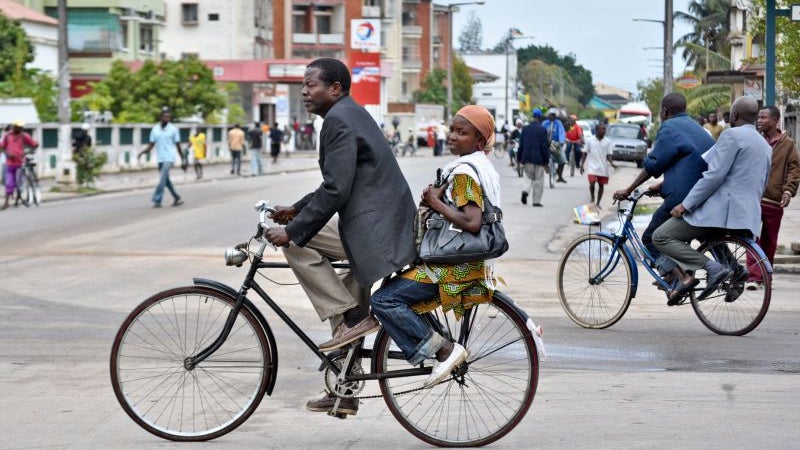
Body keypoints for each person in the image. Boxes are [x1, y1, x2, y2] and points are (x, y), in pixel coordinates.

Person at [263, 58, 417, 416]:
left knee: (300, 243)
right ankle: (344, 390)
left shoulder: (338, 120)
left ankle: (350, 318)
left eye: (311, 85)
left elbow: (336, 190)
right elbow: (337, 181)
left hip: (376, 230)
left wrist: (292, 230)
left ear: (335, 88)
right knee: (345, 294)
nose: (304, 91)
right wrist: (297, 210)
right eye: (303, 85)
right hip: (380, 223)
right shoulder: (348, 113)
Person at [371, 104, 501, 387]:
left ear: (479, 141)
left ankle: (444, 351)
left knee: (384, 299)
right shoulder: (477, 166)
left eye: (462, 132)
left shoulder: (466, 172)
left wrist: (435, 203)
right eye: (452, 130)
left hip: (455, 268)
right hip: (465, 262)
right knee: (396, 291)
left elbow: (472, 221)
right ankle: (437, 341)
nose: (453, 136)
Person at [652, 97, 772, 304]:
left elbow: (713, 176)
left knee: (661, 236)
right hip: (745, 215)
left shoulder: (732, 136)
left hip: (720, 211)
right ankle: (735, 269)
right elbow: (761, 182)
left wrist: (685, 205)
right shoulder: (764, 144)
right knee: (708, 237)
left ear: (734, 116)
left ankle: (711, 268)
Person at [613, 93, 715, 281]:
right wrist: (662, 185)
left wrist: (628, 190)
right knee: (704, 234)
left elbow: (654, 164)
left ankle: (680, 279)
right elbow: (687, 164)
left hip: (682, 197)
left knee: (651, 238)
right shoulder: (696, 127)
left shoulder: (669, 127)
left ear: (664, 111)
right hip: (705, 194)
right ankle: (733, 267)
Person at [744, 105, 800, 289]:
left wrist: (788, 191)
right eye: (758, 117)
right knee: (750, 237)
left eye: (764, 118)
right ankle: (754, 277)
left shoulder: (788, 144)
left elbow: (794, 169)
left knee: (769, 240)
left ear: (775, 120)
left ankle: (765, 277)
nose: (759, 121)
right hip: (752, 197)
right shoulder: (754, 140)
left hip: (774, 200)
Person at [137, 108, 184, 208]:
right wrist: (142, 152)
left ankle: (157, 200)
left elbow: (178, 145)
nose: (167, 118)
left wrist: (183, 158)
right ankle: (176, 197)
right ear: (161, 117)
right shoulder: (155, 129)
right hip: (160, 158)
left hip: (169, 158)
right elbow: (151, 145)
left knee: (162, 179)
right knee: (166, 181)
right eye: (165, 116)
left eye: (169, 117)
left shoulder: (173, 129)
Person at [0, 120, 39, 210]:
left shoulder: (24, 136)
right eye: (19, 127)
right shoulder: (7, 136)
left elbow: (35, 144)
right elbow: (1, 147)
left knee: (19, 183)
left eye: (21, 127)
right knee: (9, 183)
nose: (20, 129)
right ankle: (6, 202)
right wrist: (7, 153)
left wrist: (27, 152)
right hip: (10, 163)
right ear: (14, 126)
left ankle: (18, 199)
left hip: (20, 163)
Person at [579, 123, 617, 208]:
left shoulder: (608, 141)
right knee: (592, 183)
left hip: (603, 167)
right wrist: (582, 165)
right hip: (592, 166)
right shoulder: (590, 140)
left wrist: (612, 163)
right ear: (597, 130)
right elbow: (585, 153)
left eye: (604, 129)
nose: (604, 131)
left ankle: (598, 203)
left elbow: (609, 155)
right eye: (602, 129)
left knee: (601, 185)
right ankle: (592, 197)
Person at [517, 108, 549, 207]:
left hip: (527, 158)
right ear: (539, 117)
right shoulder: (543, 130)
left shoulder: (525, 129)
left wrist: (519, 158)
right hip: (539, 159)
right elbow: (544, 146)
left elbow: (521, 144)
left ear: (533, 116)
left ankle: (525, 191)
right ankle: (536, 201)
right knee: (538, 180)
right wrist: (546, 160)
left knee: (528, 177)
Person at [542, 108, 567, 183]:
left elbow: (561, 132)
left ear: (555, 116)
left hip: (556, 143)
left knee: (563, 160)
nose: (551, 116)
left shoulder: (558, 123)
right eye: (550, 115)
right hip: (545, 143)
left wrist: (561, 141)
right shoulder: (544, 123)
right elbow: (541, 132)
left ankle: (560, 176)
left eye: (553, 115)